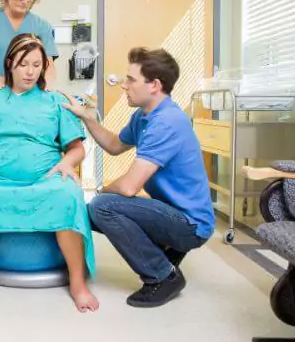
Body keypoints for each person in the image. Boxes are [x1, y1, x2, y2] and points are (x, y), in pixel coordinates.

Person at [0, 33, 99, 312]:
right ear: (10, 64)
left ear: (44, 67)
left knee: (68, 195)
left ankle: (77, 283)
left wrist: (67, 164)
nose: (30, 71)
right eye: (23, 64)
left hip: (44, 180)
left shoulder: (53, 101)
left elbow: (77, 148)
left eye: (36, 64)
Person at [62, 47, 215, 308]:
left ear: (155, 85)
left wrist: (100, 194)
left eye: (131, 80)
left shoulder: (167, 122)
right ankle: (167, 253)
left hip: (191, 224)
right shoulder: (144, 116)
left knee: (102, 207)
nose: (124, 85)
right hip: (171, 210)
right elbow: (113, 144)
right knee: (93, 212)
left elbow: (130, 186)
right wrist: (87, 117)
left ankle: (162, 275)